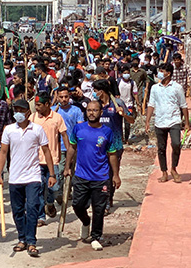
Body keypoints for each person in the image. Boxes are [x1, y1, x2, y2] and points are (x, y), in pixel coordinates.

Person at [0, 99, 55, 257]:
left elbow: (46, 151)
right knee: (17, 211)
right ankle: (22, 238)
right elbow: (3, 153)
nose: (18, 113)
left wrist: (52, 174)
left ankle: (32, 241)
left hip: (33, 176)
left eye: (21, 110)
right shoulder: (9, 130)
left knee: (33, 207)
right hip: (15, 177)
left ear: (28, 112)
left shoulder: (37, 129)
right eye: (16, 110)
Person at [65, 101, 121, 251]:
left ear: (101, 112)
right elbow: (72, 148)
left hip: (101, 176)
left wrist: (115, 175)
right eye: (89, 110)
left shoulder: (107, 132)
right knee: (77, 204)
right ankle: (85, 221)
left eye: (95, 110)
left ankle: (96, 236)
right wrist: (67, 167)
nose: (91, 113)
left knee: (99, 208)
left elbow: (112, 154)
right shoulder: (78, 129)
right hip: (81, 175)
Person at [92, 79, 133, 212]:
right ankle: (101, 198)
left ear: (101, 91)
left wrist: (123, 113)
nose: (94, 93)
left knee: (110, 173)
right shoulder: (95, 105)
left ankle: (107, 200)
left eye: (95, 91)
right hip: (98, 145)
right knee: (100, 173)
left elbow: (131, 120)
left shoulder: (117, 103)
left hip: (115, 145)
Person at [145, 63, 190, 184]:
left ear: (168, 73)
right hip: (159, 121)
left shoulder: (177, 87)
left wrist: (186, 122)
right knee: (161, 148)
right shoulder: (155, 88)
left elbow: (183, 105)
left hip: (174, 120)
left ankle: (174, 169)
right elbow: (151, 104)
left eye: (162, 71)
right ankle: (164, 172)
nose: (159, 73)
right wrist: (147, 121)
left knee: (176, 144)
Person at [30, 91, 69, 226]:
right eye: (36, 105)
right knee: (39, 188)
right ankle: (41, 216)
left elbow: (64, 135)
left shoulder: (57, 118)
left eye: (39, 105)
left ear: (47, 104)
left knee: (54, 188)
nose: (37, 107)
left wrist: (69, 152)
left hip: (53, 159)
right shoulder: (33, 118)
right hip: (36, 160)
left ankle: (50, 203)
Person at [52, 86, 86, 201]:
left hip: (73, 146)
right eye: (61, 97)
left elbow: (80, 128)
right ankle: (60, 192)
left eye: (66, 96)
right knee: (60, 170)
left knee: (71, 170)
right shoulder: (53, 111)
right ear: (57, 97)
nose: (64, 99)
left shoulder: (76, 110)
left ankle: (68, 191)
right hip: (58, 146)